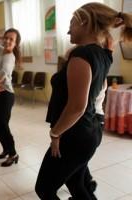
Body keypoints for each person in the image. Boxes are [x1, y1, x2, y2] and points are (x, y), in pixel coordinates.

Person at [35, 3, 132, 200]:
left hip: (75, 134)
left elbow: (77, 107)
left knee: (44, 188)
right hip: (88, 131)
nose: (69, 29)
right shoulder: (103, 54)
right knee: (77, 184)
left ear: (85, 22)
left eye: (72, 23)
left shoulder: (82, 56)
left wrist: (55, 134)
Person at [0, 28, 22, 167]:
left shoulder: (10, 56)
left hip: (6, 94)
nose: (7, 41)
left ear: (16, 43)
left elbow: (5, 71)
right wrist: (3, 36)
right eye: (6, 38)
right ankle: (6, 148)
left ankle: (13, 154)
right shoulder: (1, 50)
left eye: (11, 39)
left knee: (2, 125)